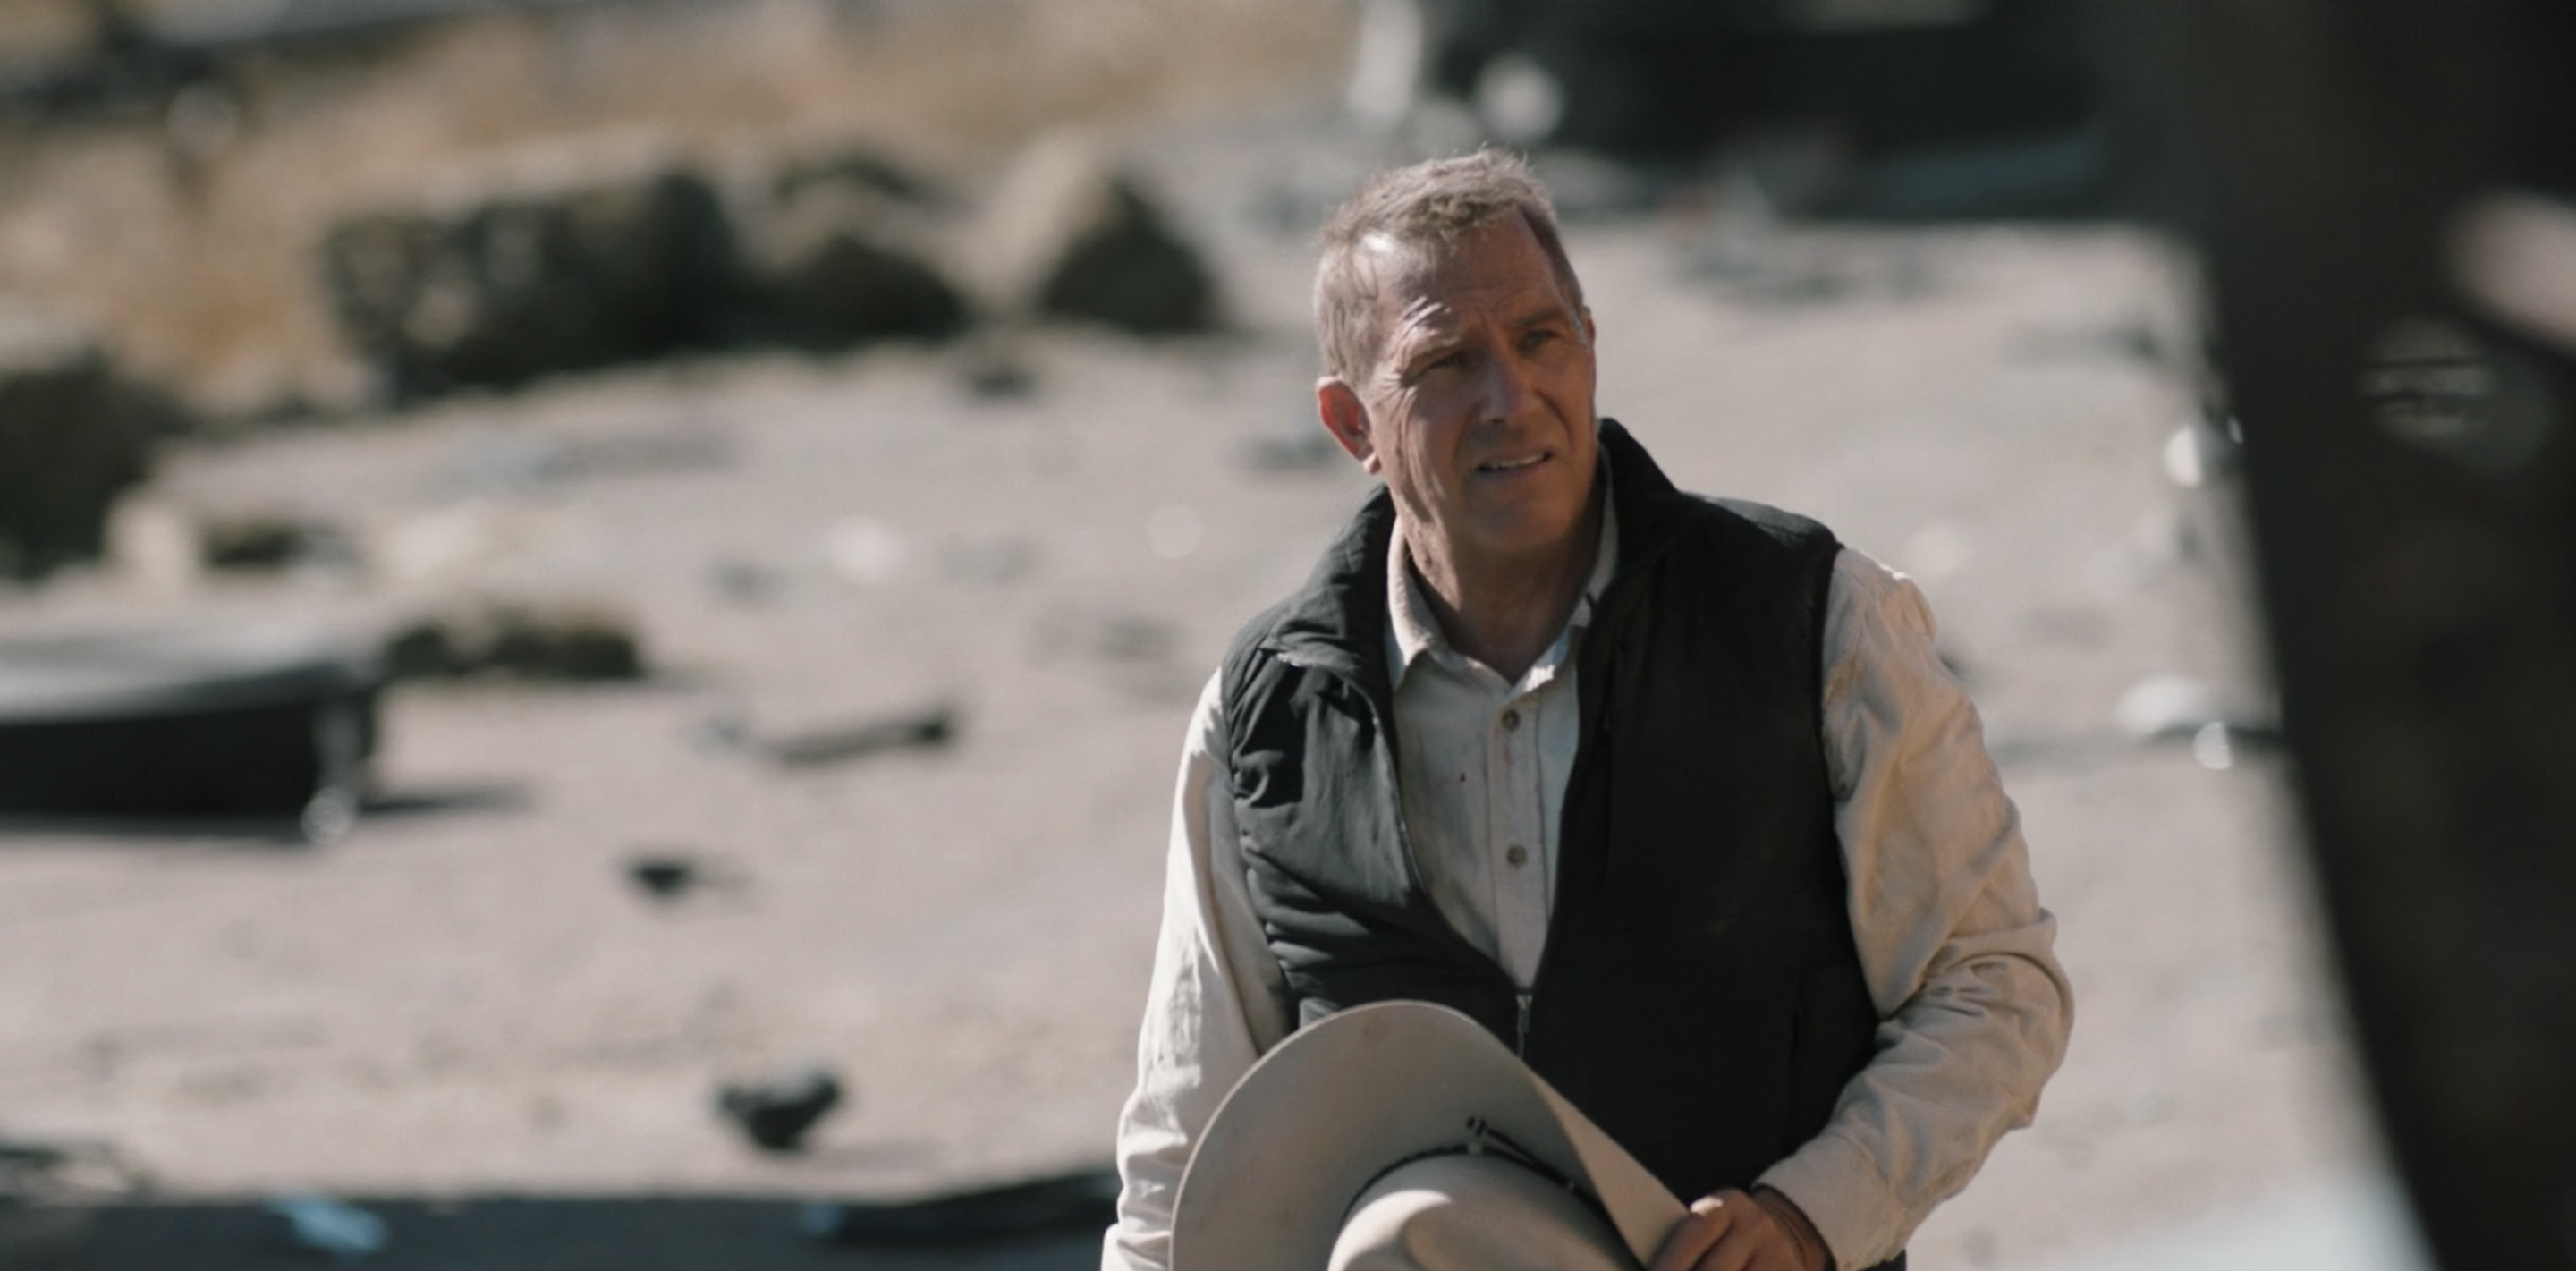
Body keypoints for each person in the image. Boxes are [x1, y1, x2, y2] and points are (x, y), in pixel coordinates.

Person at [1103, 149, 2072, 1271]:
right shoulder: (1266, 718)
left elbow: (1992, 985)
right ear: (1350, 424)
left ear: (1592, 345)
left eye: (1540, 338)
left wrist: (1813, 1213)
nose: (1511, 399)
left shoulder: (1813, 620)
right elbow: (1187, 1141)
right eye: (1446, 362)